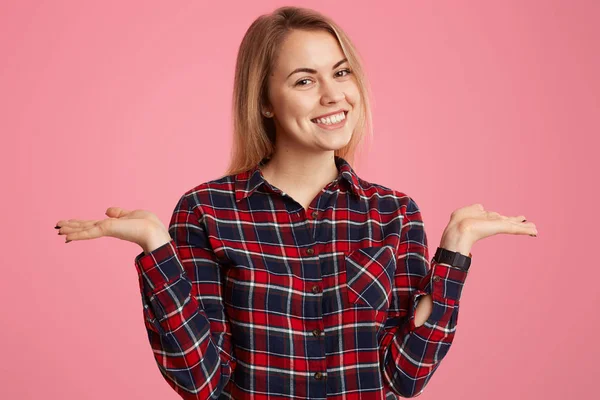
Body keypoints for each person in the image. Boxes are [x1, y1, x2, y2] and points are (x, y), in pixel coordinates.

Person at [55, 6, 537, 399]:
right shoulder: (207, 210)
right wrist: (156, 247)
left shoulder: (394, 214)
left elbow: (404, 377)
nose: (334, 96)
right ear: (265, 100)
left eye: (341, 72)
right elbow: (201, 382)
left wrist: (456, 251)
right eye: (304, 81)